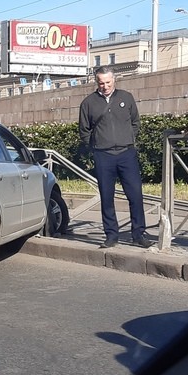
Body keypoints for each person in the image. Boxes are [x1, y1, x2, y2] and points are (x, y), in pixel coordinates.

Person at [78, 67, 150, 249]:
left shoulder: (126, 97)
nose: (105, 86)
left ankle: (138, 233)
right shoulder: (88, 103)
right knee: (107, 197)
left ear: (114, 81)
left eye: (108, 82)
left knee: (135, 194)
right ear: (96, 82)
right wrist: (95, 146)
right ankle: (111, 235)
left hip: (126, 153)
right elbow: (84, 130)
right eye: (101, 83)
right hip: (103, 155)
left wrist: (128, 139)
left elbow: (135, 122)